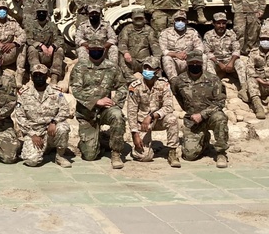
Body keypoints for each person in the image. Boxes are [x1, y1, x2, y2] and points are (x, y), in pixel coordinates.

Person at [70, 38, 126, 169]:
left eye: (99, 50)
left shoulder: (112, 67)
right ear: (88, 50)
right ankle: (97, 141)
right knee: (90, 156)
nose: (96, 52)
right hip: (87, 112)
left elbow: (122, 87)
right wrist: (95, 101)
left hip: (106, 110)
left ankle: (116, 153)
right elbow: (76, 90)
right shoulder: (80, 67)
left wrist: (115, 102)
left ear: (104, 50)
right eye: (93, 50)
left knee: (117, 116)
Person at [170, 51, 229, 168]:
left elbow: (220, 102)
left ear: (202, 63)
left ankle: (221, 153)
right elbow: (179, 98)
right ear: (187, 63)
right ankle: (204, 140)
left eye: (198, 62)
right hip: (192, 120)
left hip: (210, 117)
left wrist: (202, 115)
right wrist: (191, 113)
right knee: (189, 156)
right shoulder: (179, 81)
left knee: (220, 118)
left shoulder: (213, 79)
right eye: (192, 62)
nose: (195, 65)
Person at [13, 64, 72, 168]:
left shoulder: (56, 92)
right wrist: (32, 134)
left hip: (51, 130)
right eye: (36, 75)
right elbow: (20, 116)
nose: (39, 77)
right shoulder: (24, 94)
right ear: (31, 77)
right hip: (34, 131)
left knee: (63, 127)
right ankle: (43, 149)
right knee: (31, 161)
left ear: (47, 77)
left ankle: (59, 156)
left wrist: (54, 122)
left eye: (41, 75)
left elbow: (65, 110)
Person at [127, 58, 181, 167]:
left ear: (157, 71)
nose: (147, 70)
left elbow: (169, 106)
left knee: (172, 119)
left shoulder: (164, 84)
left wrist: (152, 116)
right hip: (142, 123)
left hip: (158, 119)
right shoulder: (135, 86)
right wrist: (134, 133)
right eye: (145, 67)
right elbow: (131, 111)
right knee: (144, 157)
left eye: (150, 68)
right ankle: (146, 147)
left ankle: (172, 152)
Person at [202, 12, 249, 92]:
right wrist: (219, 64)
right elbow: (208, 52)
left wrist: (231, 62)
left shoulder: (231, 34)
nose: (221, 26)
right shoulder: (208, 35)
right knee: (208, 63)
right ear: (213, 24)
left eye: (223, 23)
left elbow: (236, 50)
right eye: (218, 23)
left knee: (240, 63)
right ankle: (215, 87)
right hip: (216, 62)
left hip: (229, 61)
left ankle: (244, 88)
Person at [117, 8, 162, 86]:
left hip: (145, 61)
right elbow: (122, 42)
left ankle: (156, 82)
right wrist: (125, 52)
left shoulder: (149, 30)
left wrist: (156, 59)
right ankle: (130, 80)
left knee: (155, 61)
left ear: (144, 18)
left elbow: (154, 45)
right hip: (131, 60)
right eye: (136, 18)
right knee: (121, 56)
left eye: (140, 18)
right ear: (132, 18)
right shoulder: (127, 29)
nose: (138, 20)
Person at [23, 6, 65, 85]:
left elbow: (60, 39)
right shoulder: (31, 25)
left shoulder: (52, 26)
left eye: (43, 13)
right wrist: (40, 45)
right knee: (31, 48)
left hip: (49, 54)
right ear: (36, 14)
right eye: (39, 13)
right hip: (37, 54)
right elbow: (28, 39)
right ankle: (36, 74)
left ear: (47, 14)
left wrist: (53, 46)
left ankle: (54, 77)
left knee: (59, 50)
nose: (41, 14)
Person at [159, 10, 205, 79]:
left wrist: (190, 55)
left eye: (183, 20)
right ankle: (174, 82)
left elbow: (200, 47)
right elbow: (162, 50)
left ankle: (201, 80)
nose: (180, 22)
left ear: (186, 21)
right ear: (174, 21)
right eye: (178, 20)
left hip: (189, 60)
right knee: (166, 58)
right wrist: (175, 54)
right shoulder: (166, 32)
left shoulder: (193, 32)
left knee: (204, 56)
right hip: (174, 61)